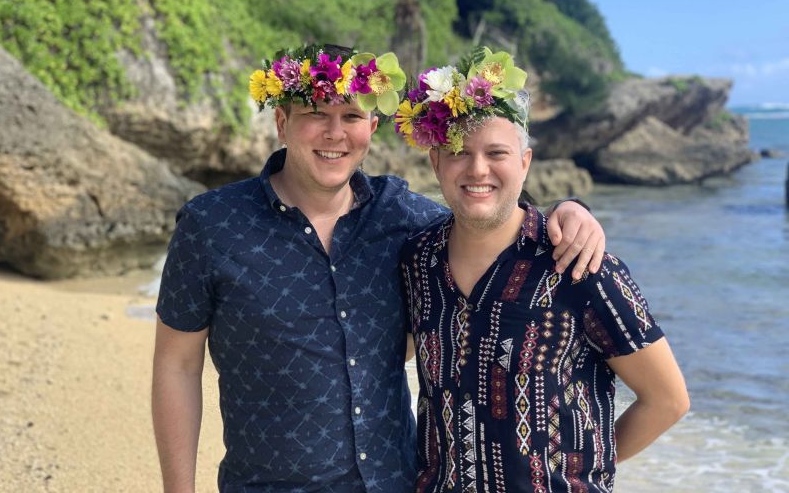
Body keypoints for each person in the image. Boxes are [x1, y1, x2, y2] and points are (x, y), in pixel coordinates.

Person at [151, 44, 607, 493]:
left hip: (398, 481)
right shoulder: (212, 224)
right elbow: (177, 365)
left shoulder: (404, 219)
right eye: (315, 114)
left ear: (372, 126)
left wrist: (568, 211)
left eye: (351, 116)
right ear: (281, 123)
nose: (335, 133)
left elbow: (490, 221)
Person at [398, 48, 690, 492]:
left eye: (496, 152)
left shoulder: (579, 264)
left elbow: (668, 400)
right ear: (436, 162)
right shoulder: (418, 260)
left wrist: (582, 473)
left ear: (525, 162)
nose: (478, 169)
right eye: (459, 152)